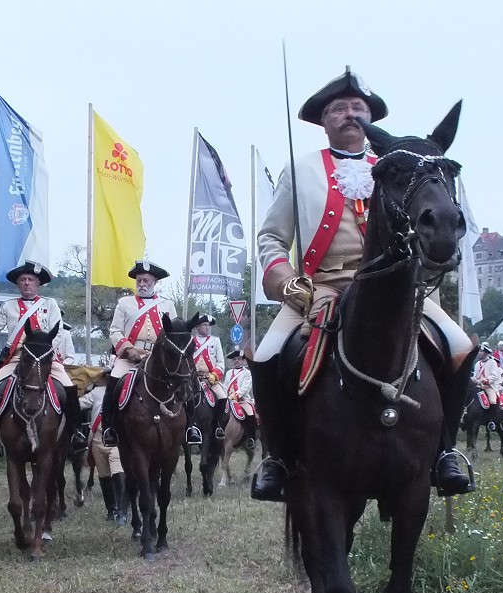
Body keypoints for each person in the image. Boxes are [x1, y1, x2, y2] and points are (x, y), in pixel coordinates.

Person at [250, 68, 475, 501]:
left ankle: (445, 450)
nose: (350, 114)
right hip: (322, 289)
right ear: (323, 120)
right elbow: (271, 240)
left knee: (460, 345)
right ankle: (277, 459)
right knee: (266, 355)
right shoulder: (300, 168)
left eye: (359, 108)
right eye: (339, 108)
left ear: (372, 119)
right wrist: (299, 292)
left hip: (397, 289)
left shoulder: (402, 166)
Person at [0, 261, 86, 458]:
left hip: (45, 359)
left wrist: (44, 351)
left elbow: (57, 333)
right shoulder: (9, 306)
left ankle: (76, 433)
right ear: (18, 284)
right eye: (23, 280)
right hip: (17, 359)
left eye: (30, 279)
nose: (26, 283)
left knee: (69, 388)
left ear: (38, 284)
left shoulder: (50, 305)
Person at [100, 261, 201, 447]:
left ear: (155, 281)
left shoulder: (167, 305)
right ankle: (109, 427)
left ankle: (191, 426)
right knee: (114, 383)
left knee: (184, 380)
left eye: (146, 280)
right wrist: (128, 349)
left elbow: (173, 332)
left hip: (159, 355)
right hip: (130, 355)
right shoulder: (124, 303)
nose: (142, 284)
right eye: (139, 280)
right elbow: (114, 331)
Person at [79, 368, 126, 525]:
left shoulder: (123, 390)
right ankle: (111, 510)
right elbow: (81, 404)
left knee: (118, 475)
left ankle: (122, 509)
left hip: (115, 440)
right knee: (104, 477)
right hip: (97, 439)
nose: (109, 378)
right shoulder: (97, 392)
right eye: (107, 375)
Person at [192, 314, 226, 440]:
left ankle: (218, 425)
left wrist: (215, 375)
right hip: (193, 378)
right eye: (204, 325)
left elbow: (221, 362)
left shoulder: (215, 341)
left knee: (223, 397)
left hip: (210, 378)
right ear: (197, 326)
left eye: (208, 325)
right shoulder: (191, 341)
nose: (207, 328)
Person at [224, 348, 258, 449]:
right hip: (229, 399)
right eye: (234, 359)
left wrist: (234, 396)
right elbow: (226, 386)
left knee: (250, 413)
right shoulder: (229, 373)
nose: (236, 361)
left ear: (243, 361)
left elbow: (245, 389)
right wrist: (226, 396)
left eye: (238, 359)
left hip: (242, 400)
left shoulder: (247, 373)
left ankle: (250, 437)